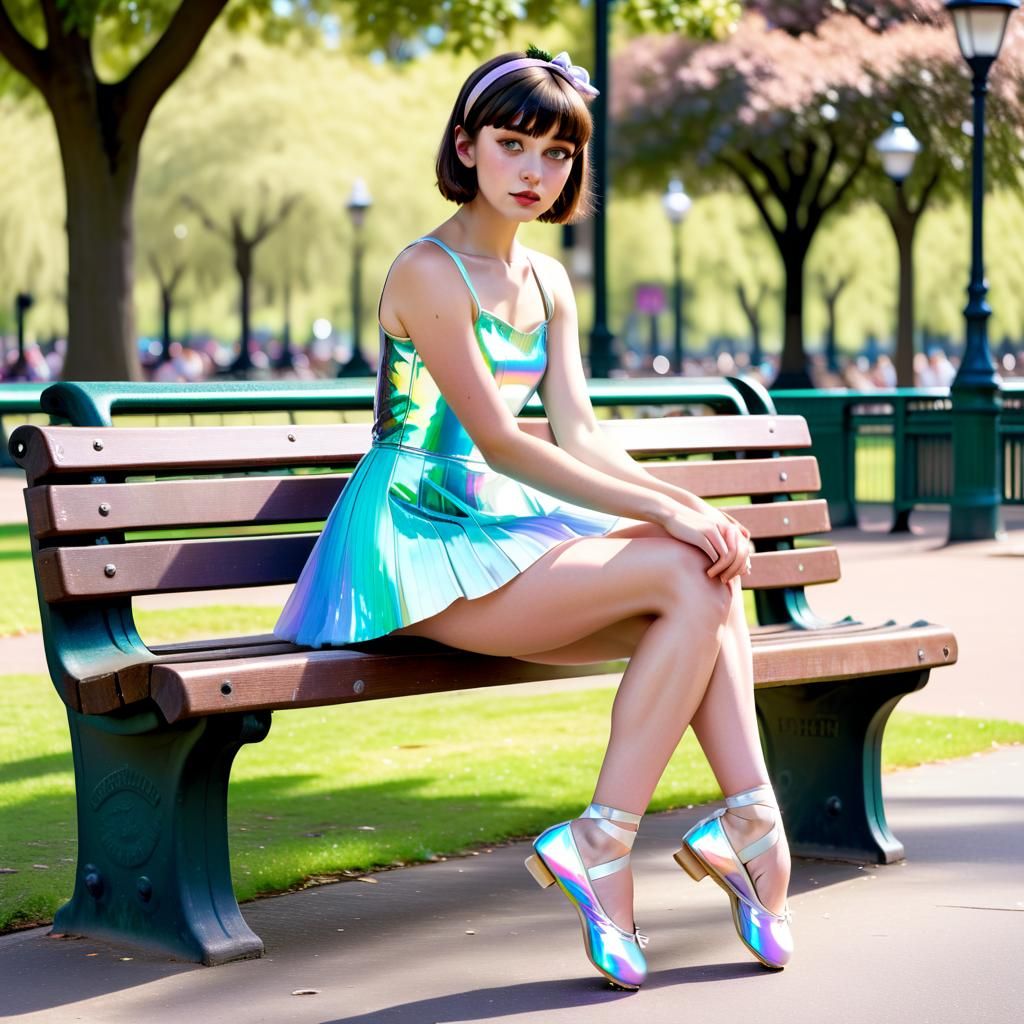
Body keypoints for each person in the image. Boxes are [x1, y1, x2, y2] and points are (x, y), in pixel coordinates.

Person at [272, 46, 793, 991]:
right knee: (689, 567)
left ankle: (716, 828)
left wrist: (687, 509)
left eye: (555, 155)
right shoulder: (429, 271)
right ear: (466, 146)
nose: (533, 170)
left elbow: (581, 436)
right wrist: (673, 521)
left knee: (705, 573)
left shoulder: (548, 282)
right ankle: (677, 836)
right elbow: (503, 444)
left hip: (497, 530)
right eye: (513, 144)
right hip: (415, 537)